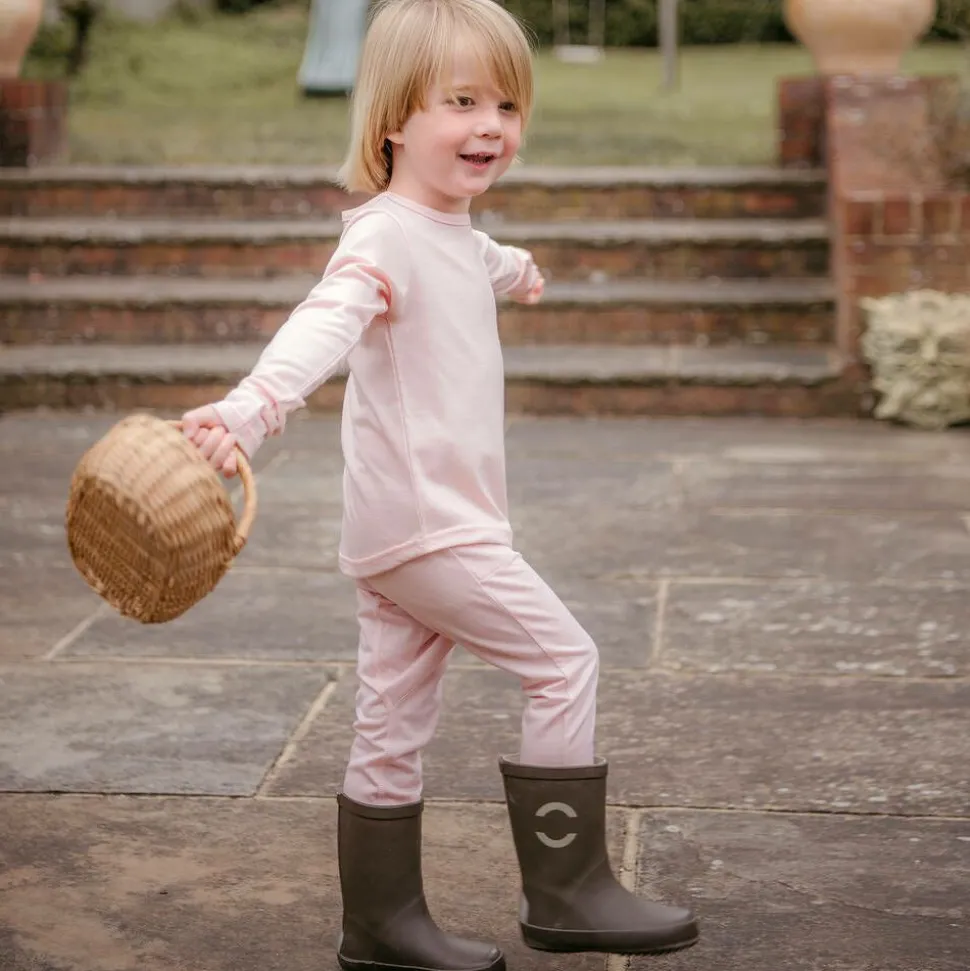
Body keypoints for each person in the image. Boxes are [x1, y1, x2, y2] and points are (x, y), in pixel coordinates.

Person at [181, 1, 699, 969]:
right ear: (393, 120)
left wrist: (519, 269)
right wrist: (251, 408)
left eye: (506, 104)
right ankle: (568, 890)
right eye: (461, 102)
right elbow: (324, 322)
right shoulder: (382, 239)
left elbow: (476, 260)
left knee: (391, 719)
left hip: (400, 531)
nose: (490, 125)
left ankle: (380, 924)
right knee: (564, 661)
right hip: (433, 529)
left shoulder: (451, 233)